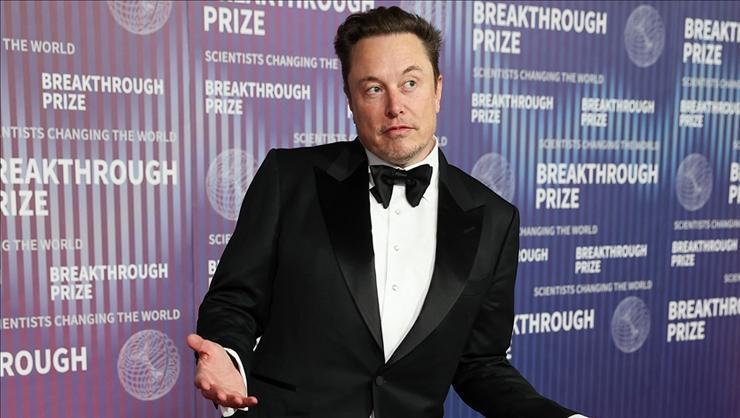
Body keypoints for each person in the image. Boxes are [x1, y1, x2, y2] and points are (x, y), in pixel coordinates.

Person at [188, 6, 585, 418]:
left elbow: (480, 364)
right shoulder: (287, 179)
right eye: (374, 89)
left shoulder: (495, 219)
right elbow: (234, 302)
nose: (395, 106)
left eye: (410, 83)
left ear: (438, 89)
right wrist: (228, 357)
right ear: (350, 100)